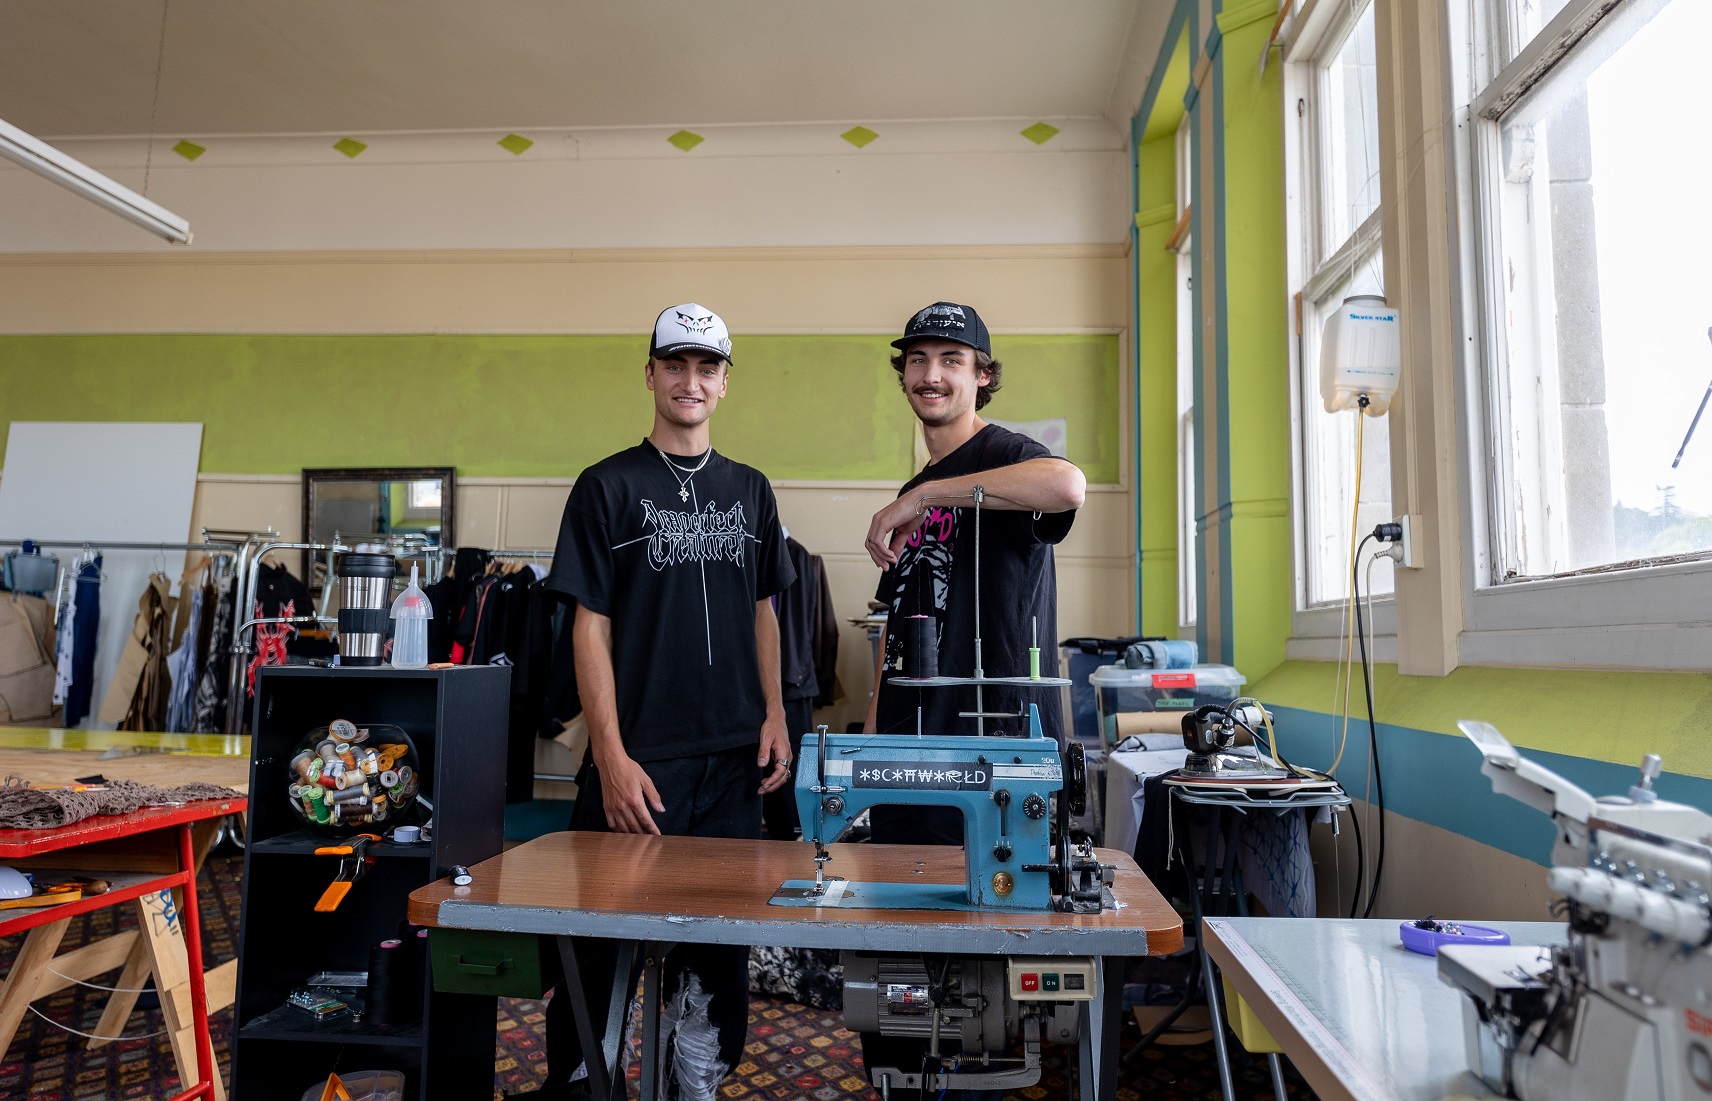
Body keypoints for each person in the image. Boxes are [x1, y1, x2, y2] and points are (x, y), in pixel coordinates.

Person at [539, 303, 796, 1101]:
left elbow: (765, 610)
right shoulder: (606, 485)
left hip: (730, 763)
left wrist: (777, 713)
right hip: (639, 761)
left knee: (718, 947)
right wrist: (609, 756)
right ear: (650, 373)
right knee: (595, 944)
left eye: (707, 367)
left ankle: (699, 1074)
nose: (691, 381)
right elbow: (590, 626)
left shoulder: (751, 491)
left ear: (724, 383)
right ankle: (583, 1076)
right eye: (675, 365)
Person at [858, 300, 1085, 1098]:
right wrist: (866, 736)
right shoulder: (918, 487)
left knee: (987, 988)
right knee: (900, 976)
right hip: (911, 752)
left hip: (996, 754)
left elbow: (1066, 482)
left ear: (981, 377)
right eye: (918, 360)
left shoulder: (1005, 456)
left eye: (952, 360)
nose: (932, 374)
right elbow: (905, 621)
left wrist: (927, 498)